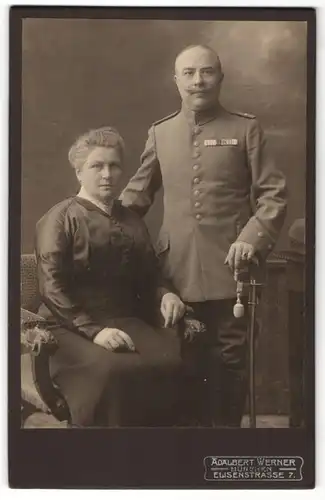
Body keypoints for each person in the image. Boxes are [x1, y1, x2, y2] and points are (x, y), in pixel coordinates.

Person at [120, 44, 288, 427]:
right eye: (190, 73)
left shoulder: (246, 129)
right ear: (176, 80)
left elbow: (273, 194)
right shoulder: (160, 133)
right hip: (174, 273)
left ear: (221, 78)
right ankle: (188, 453)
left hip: (233, 270)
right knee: (182, 360)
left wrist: (251, 237)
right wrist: (93, 215)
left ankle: (223, 445)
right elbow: (136, 196)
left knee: (230, 362)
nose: (199, 81)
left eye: (207, 71)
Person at [35, 126, 186, 428]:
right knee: (112, 369)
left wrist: (165, 293)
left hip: (125, 319)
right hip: (69, 326)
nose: (107, 174)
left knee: (168, 362)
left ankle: (157, 459)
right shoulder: (60, 218)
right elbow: (51, 287)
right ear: (79, 172)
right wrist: (95, 332)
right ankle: (105, 458)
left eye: (114, 165)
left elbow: (150, 273)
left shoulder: (131, 220)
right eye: (96, 165)